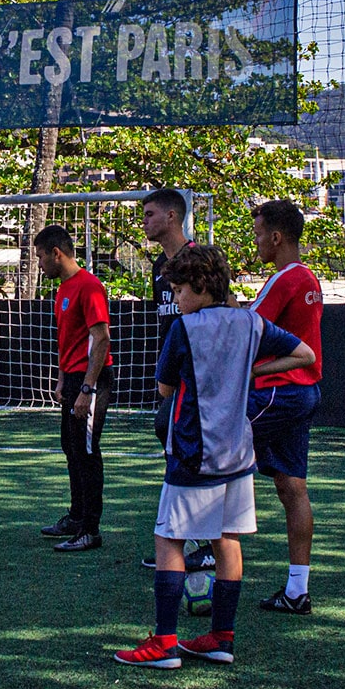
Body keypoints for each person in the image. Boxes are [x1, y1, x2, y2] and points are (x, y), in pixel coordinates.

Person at [114, 245, 315, 669]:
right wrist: (249, 371)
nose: (176, 298)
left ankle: (164, 644)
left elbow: (166, 390)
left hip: (192, 452)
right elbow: (305, 355)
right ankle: (221, 637)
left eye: (179, 289)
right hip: (239, 454)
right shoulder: (251, 322)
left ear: (201, 287)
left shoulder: (185, 329)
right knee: (227, 540)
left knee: (169, 538)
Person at [249, 199, 323, 615]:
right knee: (291, 488)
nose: (256, 242)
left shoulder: (285, 278)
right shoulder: (307, 276)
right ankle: (297, 590)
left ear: (276, 237)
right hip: (303, 394)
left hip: (280, 392)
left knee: (210, 447)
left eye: (259, 234)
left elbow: (247, 329)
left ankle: (202, 550)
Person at [33, 225, 115, 551]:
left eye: (40, 256)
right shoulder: (62, 289)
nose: (39, 264)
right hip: (74, 378)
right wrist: (62, 378)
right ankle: (77, 516)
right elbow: (68, 339)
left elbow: (102, 339)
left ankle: (90, 530)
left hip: (91, 380)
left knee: (86, 452)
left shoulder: (89, 286)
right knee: (70, 447)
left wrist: (87, 388)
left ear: (56, 253)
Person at [139, 189, 208, 570]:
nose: (144, 221)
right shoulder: (156, 269)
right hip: (174, 376)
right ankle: (189, 541)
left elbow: (221, 309)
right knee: (169, 440)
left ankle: (201, 542)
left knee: (188, 454)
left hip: (199, 378)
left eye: (150, 214)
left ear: (171, 216)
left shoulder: (198, 259)